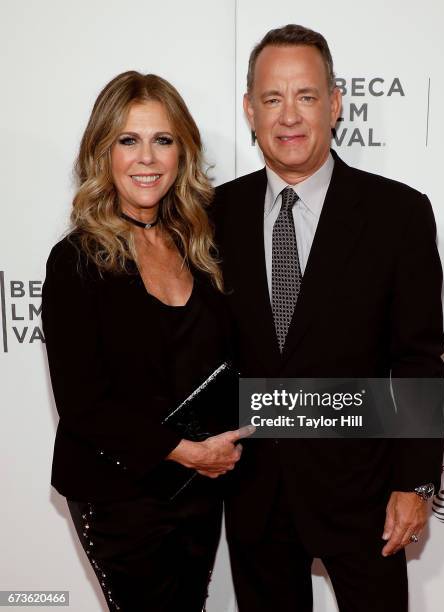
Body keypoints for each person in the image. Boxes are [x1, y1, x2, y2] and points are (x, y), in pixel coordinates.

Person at [213, 25, 444, 612]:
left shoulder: (399, 214)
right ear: (249, 109)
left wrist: (415, 482)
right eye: (272, 98)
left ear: (336, 103)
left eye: (306, 96)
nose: (289, 116)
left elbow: (417, 359)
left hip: (366, 496)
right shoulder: (214, 216)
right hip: (255, 496)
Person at [42, 71, 249, 612]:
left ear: (182, 152)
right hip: (121, 494)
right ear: (102, 153)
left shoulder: (198, 245)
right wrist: (187, 453)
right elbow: (84, 405)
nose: (147, 158)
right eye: (128, 141)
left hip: (198, 490)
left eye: (163, 140)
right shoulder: (77, 261)